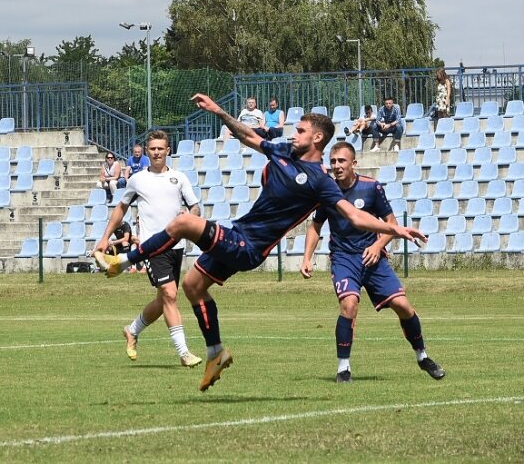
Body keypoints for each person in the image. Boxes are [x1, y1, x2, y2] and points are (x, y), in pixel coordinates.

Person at [95, 93, 426, 392]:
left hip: (249, 247)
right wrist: (218, 111)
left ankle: (121, 262)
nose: (293, 134)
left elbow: (353, 217)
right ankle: (215, 353)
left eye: (299, 130)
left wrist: (394, 231)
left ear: (317, 137)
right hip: (239, 232)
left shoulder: (321, 181)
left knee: (182, 222)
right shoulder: (283, 152)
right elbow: (248, 135)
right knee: (193, 286)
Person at [299, 142, 445, 383]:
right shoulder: (326, 192)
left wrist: (378, 246)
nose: (337, 166)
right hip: (344, 259)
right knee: (349, 305)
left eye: (342, 161)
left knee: (404, 307)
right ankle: (343, 368)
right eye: (333, 161)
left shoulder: (371, 188)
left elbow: (391, 223)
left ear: (353, 163)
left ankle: (423, 357)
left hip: (373, 259)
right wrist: (307, 258)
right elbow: (315, 226)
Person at [94, 130, 203, 368]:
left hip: (177, 246)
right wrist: (104, 238)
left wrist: (189, 215)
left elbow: (196, 208)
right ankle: (184, 353)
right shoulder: (137, 180)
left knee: (163, 299)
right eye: (152, 148)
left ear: (168, 151)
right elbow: (120, 209)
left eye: (160, 148)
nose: (156, 152)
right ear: (147, 151)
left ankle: (131, 330)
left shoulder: (179, 178)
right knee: (171, 295)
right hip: (152, 247)